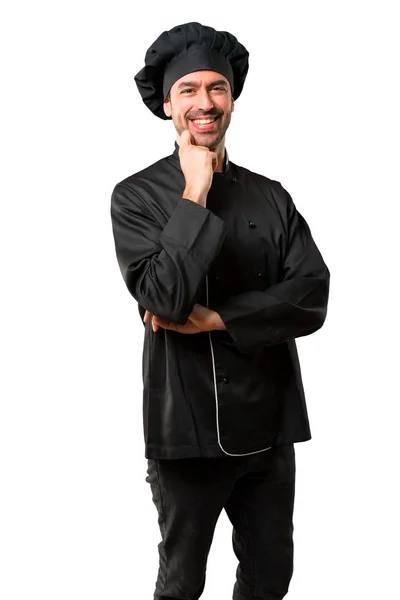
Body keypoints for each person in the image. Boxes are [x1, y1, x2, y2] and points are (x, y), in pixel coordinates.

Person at [110, 21, 330, 600]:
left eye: (216, 88)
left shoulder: (271, 195)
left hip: (270, 425)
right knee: (182, 583)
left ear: (232, 98)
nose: (204, 103)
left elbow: (311, 294)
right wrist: (196, 191)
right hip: (186, 431)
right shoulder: (135, 197)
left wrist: (218, 319)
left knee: (270, 577)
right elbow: (161, 297)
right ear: (167, 104)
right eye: (188, 90)